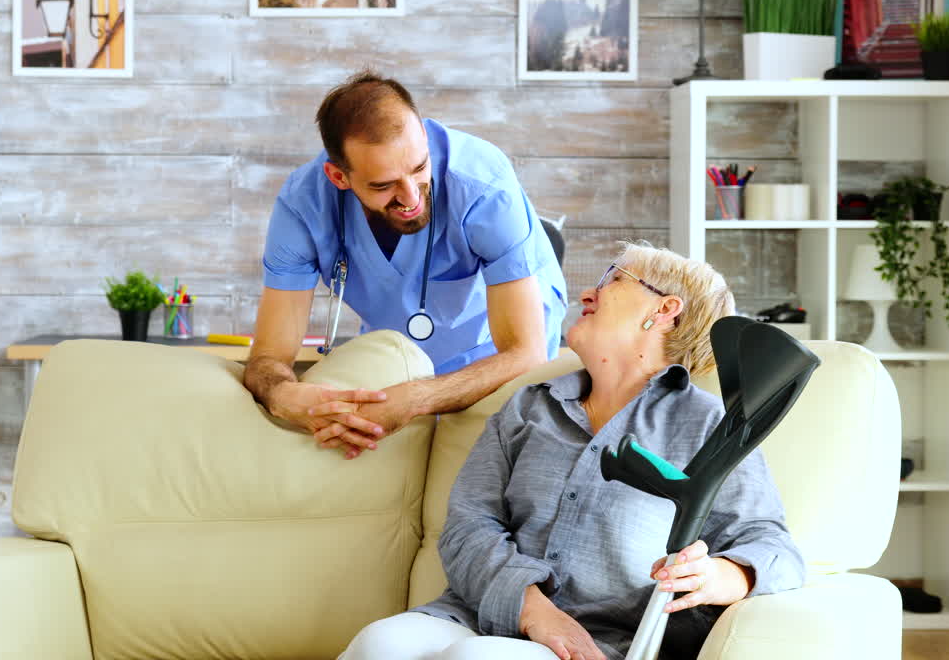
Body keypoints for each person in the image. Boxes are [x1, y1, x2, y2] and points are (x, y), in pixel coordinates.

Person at [340, 242, 805, 660]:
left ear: (664, 309)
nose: (588, 292)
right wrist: (532, 610)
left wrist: (718, 576)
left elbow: (775, 549)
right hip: (475, 615)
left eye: (613, 279)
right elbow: (467, 527)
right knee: (379, 644)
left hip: (597, 644)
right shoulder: (528, 406)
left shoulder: (708, 426)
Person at [244, 71, 567, 459]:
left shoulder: (484, 186)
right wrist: (286, 396)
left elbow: (524, 352)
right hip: (401, 346)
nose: (412, 197)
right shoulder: (302, 206)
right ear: (338, 176)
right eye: (383, 186)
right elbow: (268, 357)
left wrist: (415, 398)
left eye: (419, 168)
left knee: (473, 457)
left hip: (499, 346)